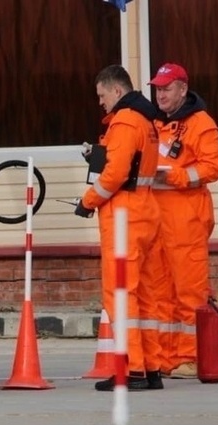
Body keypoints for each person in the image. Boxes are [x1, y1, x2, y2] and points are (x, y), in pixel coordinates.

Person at [74, 65, 163, 391]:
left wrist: (87, 201)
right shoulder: (147, 122)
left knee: (121, 293)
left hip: (124, 216)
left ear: (116, 90)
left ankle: (132, 368)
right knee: (145, 295)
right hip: (145, 212)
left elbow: (114, 175)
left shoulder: (125, 122)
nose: (100, 103)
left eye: (101, 95)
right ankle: (150, 367)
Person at [148, 63, 218, 379]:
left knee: (189, 292)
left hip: (188, 221)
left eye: (166, 88)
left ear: (182, 88)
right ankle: (166, 357)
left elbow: (212, 168)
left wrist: (176, 176)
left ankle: (191, 356)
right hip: (159, 222)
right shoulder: (156, 123)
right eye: (158, 88)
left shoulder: (201, 124)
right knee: (162, 292)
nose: (160, 94)